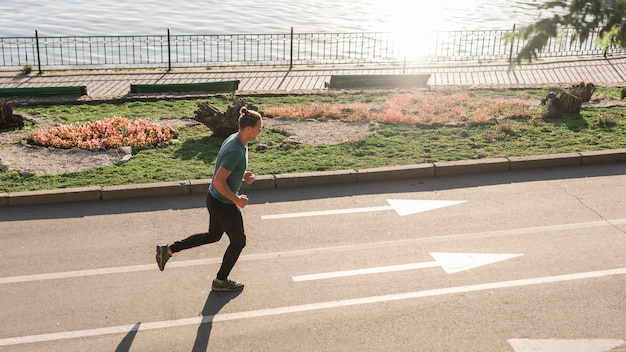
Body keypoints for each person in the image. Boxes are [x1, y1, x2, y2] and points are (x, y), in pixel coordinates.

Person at [156, 106, 263, 292]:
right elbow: (219, 181)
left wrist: (243, 175)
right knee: (238, 241)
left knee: (213, 236)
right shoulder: (236, 150)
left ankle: (168, 250)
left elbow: (227, 170)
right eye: (259, 128)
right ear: (248, 129)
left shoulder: (236, 140)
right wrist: (237, 199)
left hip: (215, 198)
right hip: (223, 202)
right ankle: (220, 281)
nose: (260, 130)